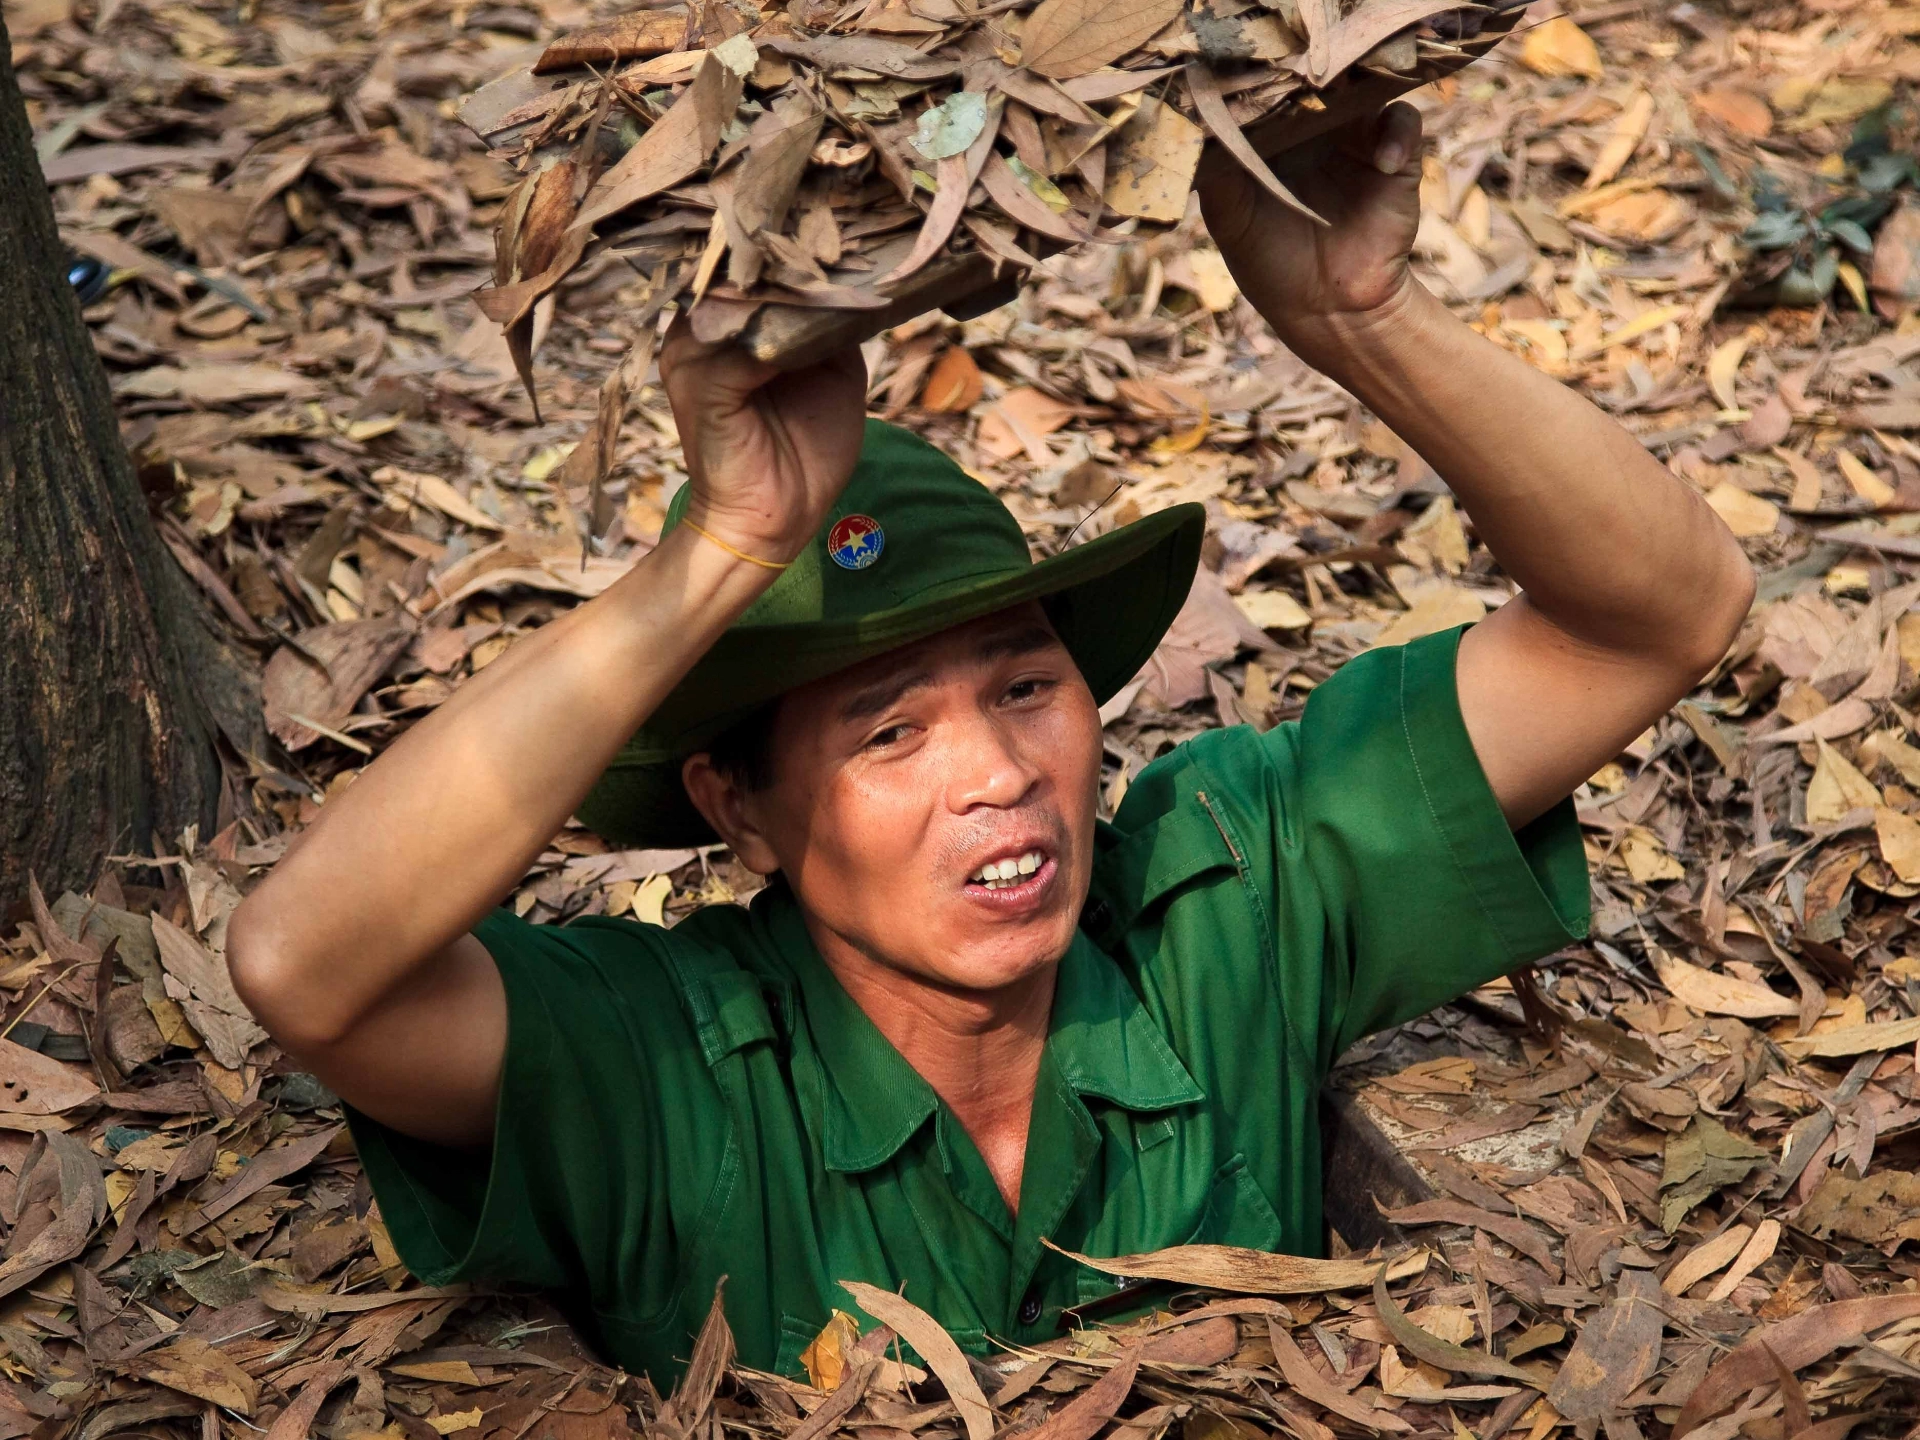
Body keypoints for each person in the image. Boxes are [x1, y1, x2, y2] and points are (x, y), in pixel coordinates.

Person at [226, 102, 1754, 1384]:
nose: (999, 771)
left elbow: (1661, 617)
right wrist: (722, 557)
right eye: (888, 730)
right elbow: (308, 966)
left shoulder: (1230, 907)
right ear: (734, 807)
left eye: (1024, 687)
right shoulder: (665, 1063)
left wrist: (1360, 316)